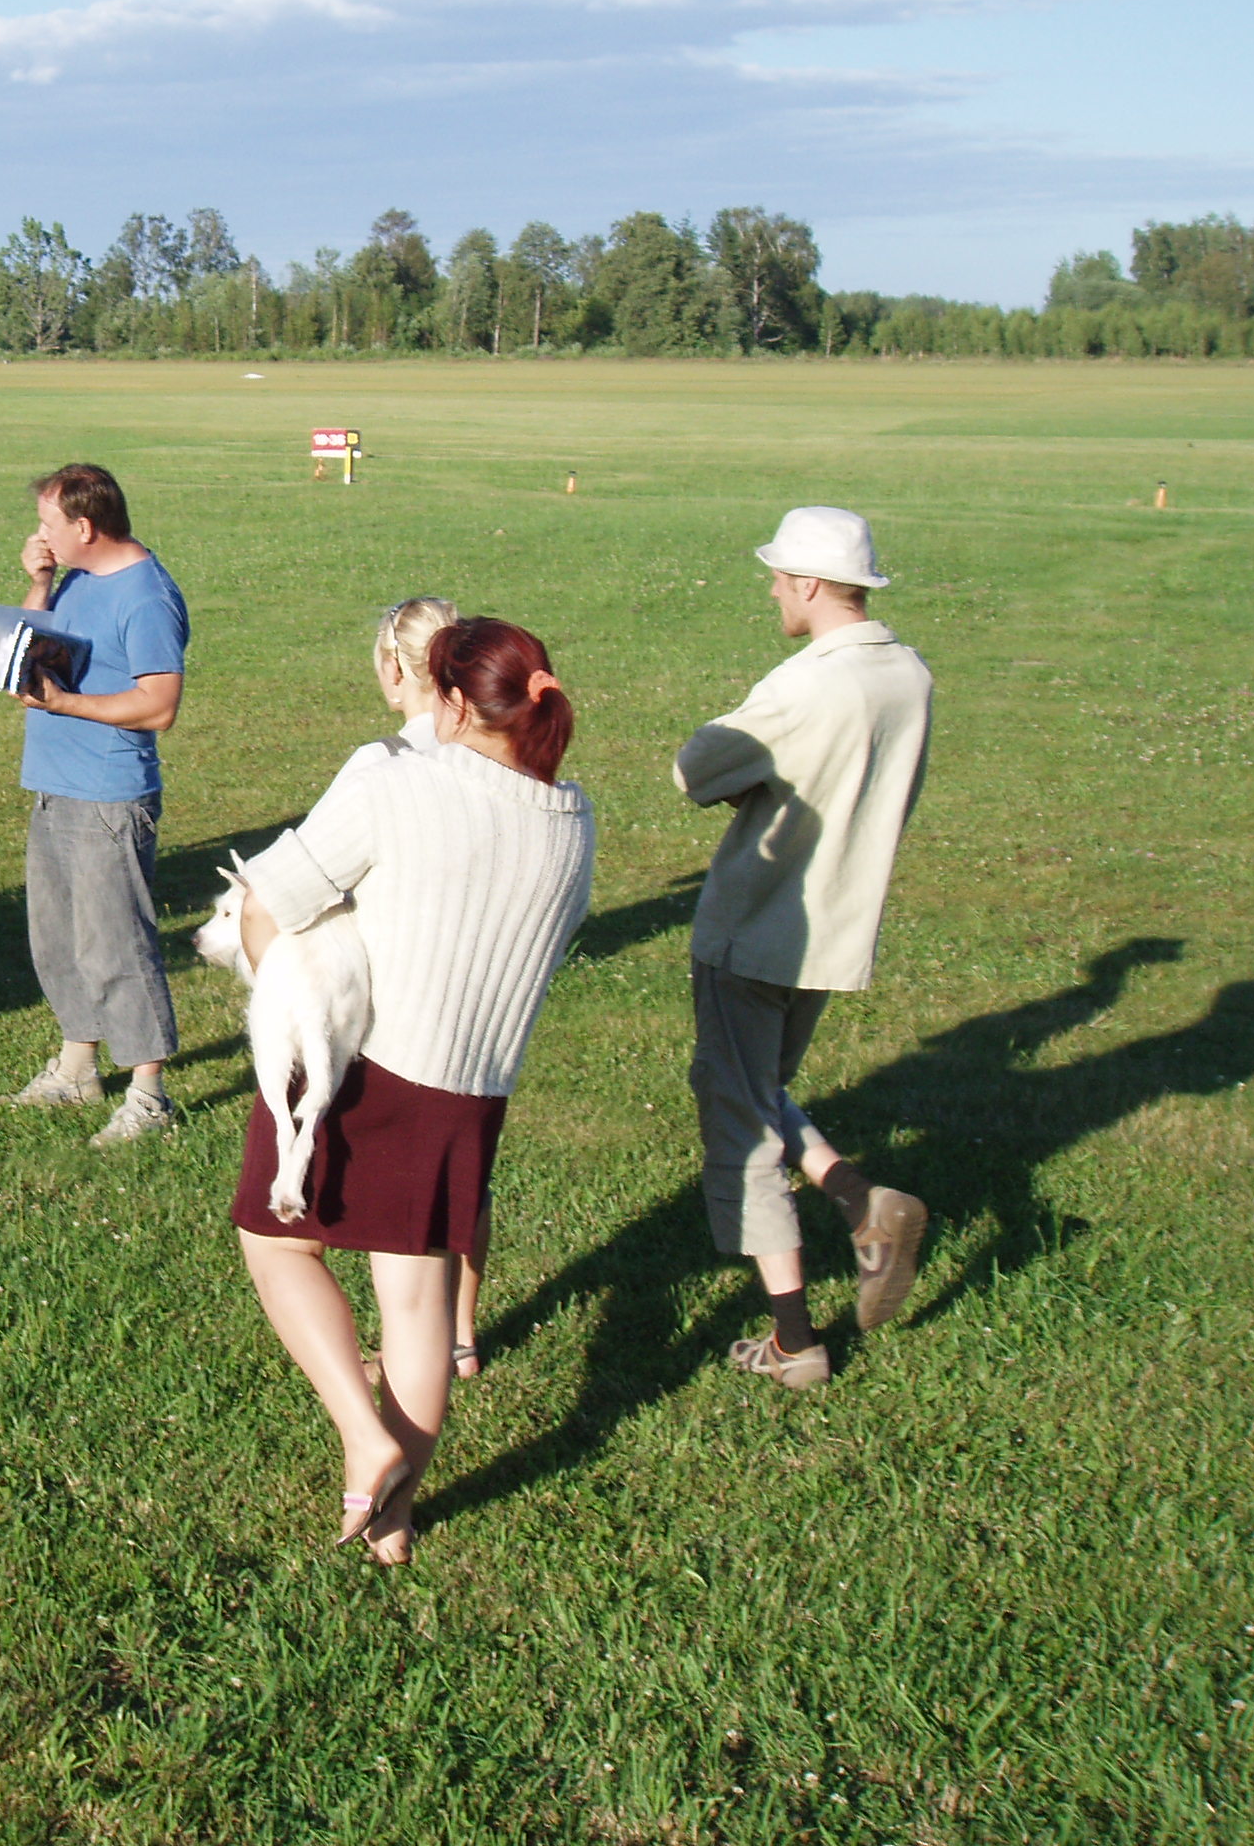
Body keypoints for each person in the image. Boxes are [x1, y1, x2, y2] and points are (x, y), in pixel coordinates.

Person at [233, 618, 594, 1564]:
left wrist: (285, 992)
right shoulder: (572, 818)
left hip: (361, 1066)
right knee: (421, 1305)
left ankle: (363, 1429)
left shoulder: (392, 779)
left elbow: (270, 898)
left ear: (454, 702)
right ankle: (392, 1523)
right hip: (472, 1089)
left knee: (272, 1244)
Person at [675, 506, 934, 1388]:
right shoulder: (910, 674)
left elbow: (696, 769)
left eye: (783, 578)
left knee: (740, 1126)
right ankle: (854, 1195)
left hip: (753, 926)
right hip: (835, 931)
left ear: (815, 586)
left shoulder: (805, 685)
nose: (775, 591)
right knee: (752, 1087)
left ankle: (797, 1338)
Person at [0, 463, 190, 1147]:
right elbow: (29, 640)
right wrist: (41, 580)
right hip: (53, 783)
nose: (39, 533)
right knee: (57, 940)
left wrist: (65, 703)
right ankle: (77, 1068)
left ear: (85, 526)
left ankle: (148, 1092)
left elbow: (159, 706)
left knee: (119, 945)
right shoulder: (79, 575)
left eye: (50, 523)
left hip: (110, 794)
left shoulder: (145, 597)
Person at [339, 596, 492, 1382]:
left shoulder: (387, 767)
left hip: (401, 1011)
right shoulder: (502, 758)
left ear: (396, 670)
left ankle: (415, 1349)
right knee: (468, 1171)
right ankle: (461, 1333)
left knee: (398, 1194)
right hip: (485, 1007)